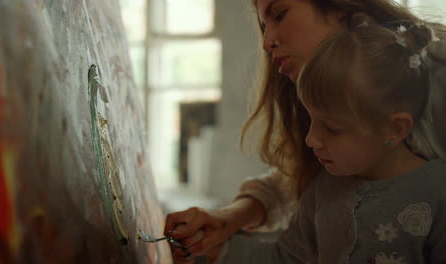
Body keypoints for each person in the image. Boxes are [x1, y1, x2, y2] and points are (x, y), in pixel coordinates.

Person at [164, 0, 446, 263]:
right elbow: (289, 201)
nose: (266, 42)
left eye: (280, 15)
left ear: (339, 6)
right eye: (264, 25)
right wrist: (224, 233)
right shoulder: (325, 189)